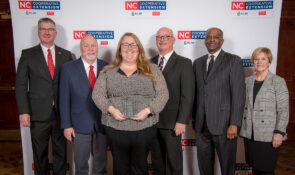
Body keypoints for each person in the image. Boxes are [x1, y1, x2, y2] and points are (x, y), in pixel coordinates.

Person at [92, 32, 169, 175]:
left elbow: (163, 94)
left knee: (140, 168)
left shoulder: (152, 70)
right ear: (120, 49)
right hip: (116, 129)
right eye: (125, 44)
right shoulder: (107, 71)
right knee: (120, 169)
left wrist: (148, 110)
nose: (129, 48)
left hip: (144, 128)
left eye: (133, 44)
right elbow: (97, 94)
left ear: (139, 48)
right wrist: (110, 109)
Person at [15, 17, 72, 175]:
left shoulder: (66, 55)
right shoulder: (27, 55)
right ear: (39, 32)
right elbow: (20, 85)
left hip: (61, 114)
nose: (47, 32)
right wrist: (23, 111)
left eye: (50, 29)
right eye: (43, 29)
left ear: (55, 33)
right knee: (40, 154)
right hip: (37, 114)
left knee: (61, 152)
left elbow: (70, 86)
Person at [193, 27, 246, 175]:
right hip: (202, 125)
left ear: (222, 41)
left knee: (227, 167)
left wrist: (234, 123)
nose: (211, 39)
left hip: (224, 125)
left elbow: (238, 94)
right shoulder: (197, 63)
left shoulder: (233, 60)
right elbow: (196, 93)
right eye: (208, 37)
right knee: (204, 167)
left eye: (215, 37)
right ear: (205, 40)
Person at [59, 34, 108, 175]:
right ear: (81, 48)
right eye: (86, 45)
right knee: (80, 166)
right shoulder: (68, 69)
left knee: (101, 164)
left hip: (102, 124)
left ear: (97, 49)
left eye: (93, 45)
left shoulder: (106, 67)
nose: (90, 49)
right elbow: (64, 99)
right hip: (78, 124)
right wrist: (66, 125)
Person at [150, 27, 195, 175]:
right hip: (151, 121)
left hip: (172, 123)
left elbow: (187, 95)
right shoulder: (148, 63)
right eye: (159, 37)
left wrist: (182, 121)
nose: (162, 39)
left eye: (166, 36)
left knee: (174, 164)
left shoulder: (184, 63)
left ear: (173, 40)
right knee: (157, 163)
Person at [240, 47, 289, 175]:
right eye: (256, 59)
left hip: (269, 135)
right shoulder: (247, 81)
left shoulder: (277, 81)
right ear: (253, 61)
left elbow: (284, 109)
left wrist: (279, 132)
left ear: (269, 61)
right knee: (255, 169)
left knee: (266, 170)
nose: (259, 62)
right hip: (250, 134)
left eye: (263, 58)